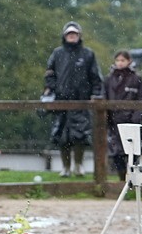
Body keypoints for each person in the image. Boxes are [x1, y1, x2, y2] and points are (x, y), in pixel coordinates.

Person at [43, 21, 103, 176]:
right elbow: (49, 74)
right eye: (69, 34)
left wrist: (95, 94)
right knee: (62, 136)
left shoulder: (88, 54)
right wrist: (55, 88)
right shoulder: (57, 54)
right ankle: (66, 168)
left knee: (80, 135)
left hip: (81, 101)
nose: (72, 36)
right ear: (64, 35)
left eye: (74, 34)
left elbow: (95, 77)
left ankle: (78, 165)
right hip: (61, 101)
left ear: (79, 36)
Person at [104, 49, 142, 180]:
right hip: (114, 122)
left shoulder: (136, 79)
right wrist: (107, 118)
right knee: (116, 153)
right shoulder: (108, 79)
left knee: (132, 152)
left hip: (131, 122)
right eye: (117, 60)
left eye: (123, 60)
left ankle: (133, 180)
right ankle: (122, 179)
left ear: (129, 61)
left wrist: (135, 118)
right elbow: (104, 98)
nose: (120, 63)